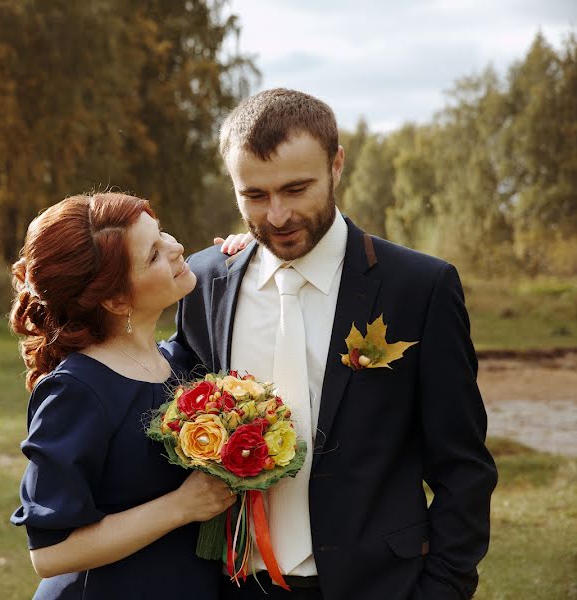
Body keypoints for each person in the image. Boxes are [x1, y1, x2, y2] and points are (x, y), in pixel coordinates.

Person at [165, 89, 498, 600]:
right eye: (254, 196)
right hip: (229, 585)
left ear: (336, 165)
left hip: (378, 586)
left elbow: (463, 469)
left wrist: (443, 589)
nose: (276, 216)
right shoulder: (204, 282)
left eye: (296, 189)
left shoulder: (419, 287)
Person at [9, 193, 240, 600]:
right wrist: (180, 506)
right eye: (153, 255)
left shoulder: (181, 361)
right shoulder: (77, 390)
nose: (176, 247)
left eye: (162, 232)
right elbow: (49, 552)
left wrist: (242, 256)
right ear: (116, 300)